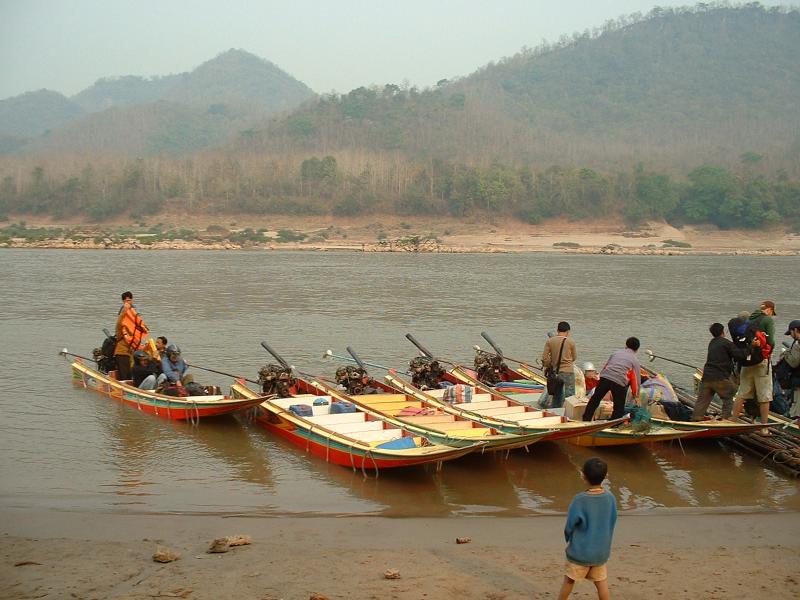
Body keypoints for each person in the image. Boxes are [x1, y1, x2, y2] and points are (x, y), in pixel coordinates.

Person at [557, 457, 617, 600]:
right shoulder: (610, 498)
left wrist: (568, 538)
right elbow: (612, 520)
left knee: (569, 581)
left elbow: (570, 525)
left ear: (583, 475)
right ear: (606, 476)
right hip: (600, 553)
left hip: (580, 553)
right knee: (601, 583)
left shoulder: (579, 500)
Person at [731, 301, 777, 435]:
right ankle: (764, 427)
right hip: (761, 362)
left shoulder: (750, 318)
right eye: (772, 312)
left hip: (747, 360)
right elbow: (772, 341)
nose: (772, 315)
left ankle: (733, 421)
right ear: (769, 310)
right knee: (764, 395)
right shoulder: (767, 320)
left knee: (742, 393)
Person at [692, 323, 747, 421]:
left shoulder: (712, 343)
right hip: (719, 377)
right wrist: (750, 347)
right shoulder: (727, 343)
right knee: (730, 393)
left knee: (702, 400)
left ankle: (696, 418)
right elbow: (740, 356)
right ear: (723, 332)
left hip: (707, 377)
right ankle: (726, 419)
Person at [582, 337, 641, 421]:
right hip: (619, 382)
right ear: (637, 349)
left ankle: (586, 419)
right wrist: (636, 395)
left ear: (626, 345)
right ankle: (614, 423)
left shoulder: (616, 353)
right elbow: (636, 380)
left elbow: (606, 366)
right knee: (619, 406)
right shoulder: (635, 361)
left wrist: (600, 379)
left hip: (605, 377)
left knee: (595, 399)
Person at [113, 291, 149, 381]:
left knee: (133, 374)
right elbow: (119, 322)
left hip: (133, 353)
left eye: (130, 300)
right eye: (126, 300)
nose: (128, 302)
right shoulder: (121, 327)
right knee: (125, 377)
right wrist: (124, 311)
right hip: (122, 353)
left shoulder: (135, 327)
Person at [541, 321, 577, 409]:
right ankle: (569, 413)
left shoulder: (550, 341)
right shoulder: (571, 342)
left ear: (557, 330)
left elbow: (544, 359)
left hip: (556, 373)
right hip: (568, 372)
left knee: (557, 396)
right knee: (570, 396)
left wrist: (552, 363)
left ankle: (556, 413)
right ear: (568, 331)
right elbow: (574, 357)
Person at [783, 320, 800, 419]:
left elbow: (794, 363)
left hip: (798, 380)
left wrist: (786, 354)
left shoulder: (798, 344)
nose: (791, 336)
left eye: (791, 333)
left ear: (796, 330)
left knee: (797, 408)